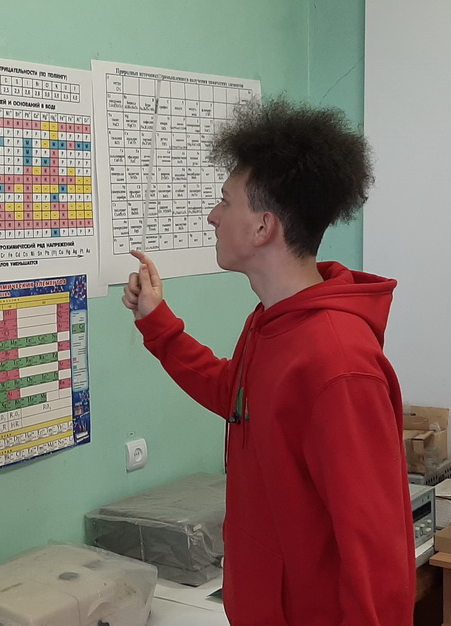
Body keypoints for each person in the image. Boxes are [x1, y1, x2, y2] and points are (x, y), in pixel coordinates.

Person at [121, 98, 414, 626]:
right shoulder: (272, 322)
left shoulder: (338, 361)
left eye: (225, 201)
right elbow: (234, 395)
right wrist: (158, 322)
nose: (212, 216)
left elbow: (376, 549)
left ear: (263, 227)